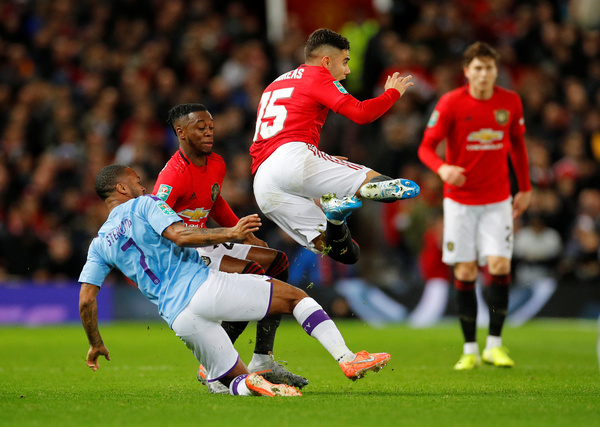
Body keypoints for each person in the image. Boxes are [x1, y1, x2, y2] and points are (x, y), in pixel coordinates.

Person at [79, 165, 391, 397]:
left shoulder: (100, 243)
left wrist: (95, 343)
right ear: (121, 188)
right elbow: (180, 234)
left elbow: (86, 300)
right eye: (137, 182)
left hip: (179, 319)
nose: (144, 188)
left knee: (235, 381)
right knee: (296, 298)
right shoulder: (145, 205)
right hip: (204, 288)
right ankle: (347, 358)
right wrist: (230, 233)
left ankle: (256, 384)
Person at [152, 103, 307, 393]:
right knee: (251, 273)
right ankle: (215, 362)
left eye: (211, 127)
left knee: (278, 263)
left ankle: (263, 358)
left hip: (211, 240)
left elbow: (215, 201)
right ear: (181, 132)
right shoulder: (172, 176)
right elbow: (155, 221)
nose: (209, 133)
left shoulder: (217, 163)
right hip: (186, 251)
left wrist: (242, 234)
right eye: (201, 128)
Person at [250, 28, 420, 265]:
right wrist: (392, 93)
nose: (347, 70)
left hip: (263, 183)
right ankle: (366, 189)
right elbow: (362, 114)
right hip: (294, 157)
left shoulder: (274, 84)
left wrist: (316, 160)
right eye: (345, 62)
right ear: (326, 61)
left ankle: (336, 218)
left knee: (346, 253)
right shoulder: (317, 75)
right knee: (399, 189)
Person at [417, 41, 532, 370]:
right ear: (467, 72)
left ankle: (494, 345)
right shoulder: (451, 102)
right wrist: (443, 169)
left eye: (489, 68)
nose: (484, 74)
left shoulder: (510, 102)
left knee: (499, 266)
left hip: (498, 200)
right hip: (460, 202)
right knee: (465, 271)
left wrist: (524, 188)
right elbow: (425, 148)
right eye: (478, 68)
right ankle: (469, 349)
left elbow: (519, 147)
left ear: (496, 71)